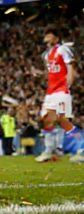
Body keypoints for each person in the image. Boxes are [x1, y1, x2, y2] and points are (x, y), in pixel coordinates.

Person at [36, 27, 81, 163]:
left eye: (49, 35)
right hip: (51, 91)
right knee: (46, 120)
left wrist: (69, 84)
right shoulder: (46, 54)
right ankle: (49, 150)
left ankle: (82, 149)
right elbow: (51, 72)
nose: (46, 38)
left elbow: (72, 67)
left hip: (61, 90)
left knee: (63, 121)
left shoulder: (62, 49)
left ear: (55, 37)